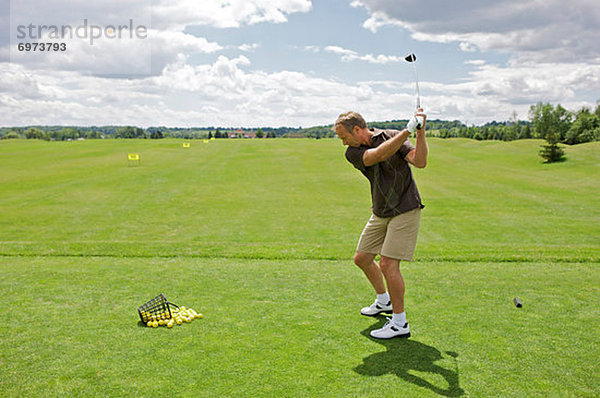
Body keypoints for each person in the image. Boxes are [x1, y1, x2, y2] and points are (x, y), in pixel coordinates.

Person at [334, 110, 428, 339]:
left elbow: (420, 162)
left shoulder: (391, 135)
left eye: (343, 136)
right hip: (381, 210)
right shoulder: (353, 152)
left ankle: (399, 323)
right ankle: (384, 301)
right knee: (362, 258)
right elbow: (375, 156)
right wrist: (407, 130)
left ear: (357, 130)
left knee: (387, 264)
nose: (343, 142)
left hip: (405, 207)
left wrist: (420, 132)